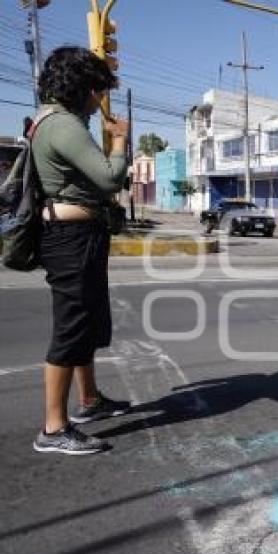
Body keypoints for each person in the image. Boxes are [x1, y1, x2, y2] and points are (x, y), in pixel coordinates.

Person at [31, 47, 130, 455]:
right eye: (97, 91)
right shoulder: (65, 125)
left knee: (86, 323)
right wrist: (120, 142)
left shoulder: (52, 120)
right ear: (81, 87)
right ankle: (53, 429)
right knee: (71, 328)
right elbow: (109, 179)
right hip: (71, 240)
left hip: (77, 236)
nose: (100, 100)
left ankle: (89, 401)